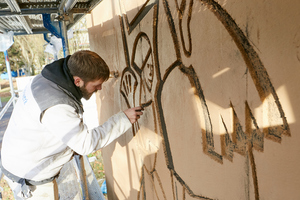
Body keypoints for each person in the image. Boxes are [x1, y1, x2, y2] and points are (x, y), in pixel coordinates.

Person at [0, 50, 143, 199]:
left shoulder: (48, 79)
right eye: (96, 85)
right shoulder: (57, 105)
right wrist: (122, 119)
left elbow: (56, 127)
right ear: (77, 81)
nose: (100, 89)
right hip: (31, 178)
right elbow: (85, 144)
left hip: (19, 159)